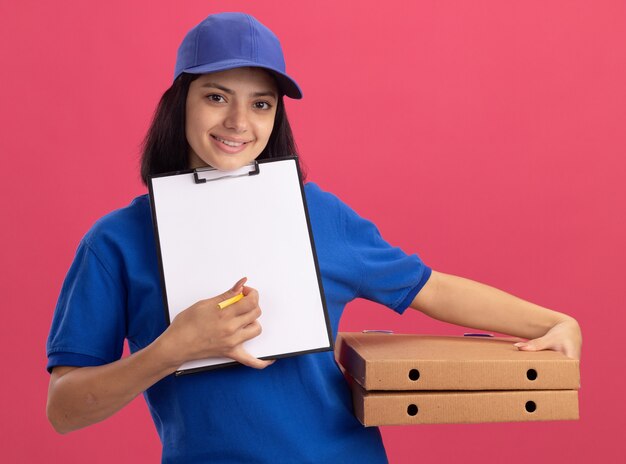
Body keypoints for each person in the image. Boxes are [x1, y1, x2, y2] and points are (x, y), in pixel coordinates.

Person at [46, 12, 582, 464]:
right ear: (179, 101)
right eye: (216, 96)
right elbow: (65, 410)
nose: (239, 122)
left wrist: (556, 322)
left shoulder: (317, 214)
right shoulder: (115, 242)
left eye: (261, 104)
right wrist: (170, 350)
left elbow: (429, 288)